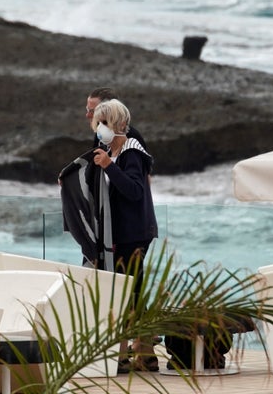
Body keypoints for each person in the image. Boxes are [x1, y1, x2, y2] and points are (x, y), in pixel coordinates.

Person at [90, 99, 159, 373]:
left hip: (134, 233)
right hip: (118, 233)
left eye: (104, 123)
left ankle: (130, 355)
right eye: (98, 123)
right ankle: (143, 354)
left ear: (119, 124)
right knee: (127, 294)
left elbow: (134, 190)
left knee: (130, 294)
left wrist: (109, 166)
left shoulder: (132, 152)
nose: (100, 128)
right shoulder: (109, 150)